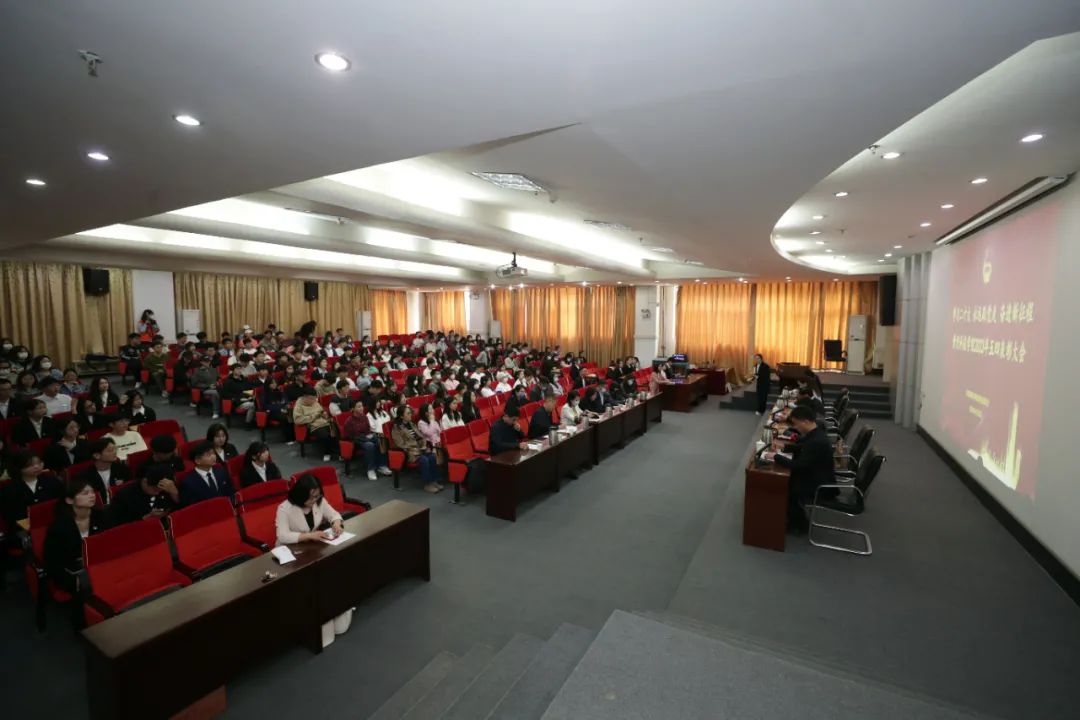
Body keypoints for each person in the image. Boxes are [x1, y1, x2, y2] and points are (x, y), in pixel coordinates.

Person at [764, 405, 834, 533]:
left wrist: (776, 456)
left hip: (819, 484)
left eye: (796, 424)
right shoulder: (816, 433)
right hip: (816, 474)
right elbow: (803, 446)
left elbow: (798, 466)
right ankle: (792, 517)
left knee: (785, 485)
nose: (796, 428)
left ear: (805, 421)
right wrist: (784, 447)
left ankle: (798, 525)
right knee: (785, 479)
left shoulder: (817, 441)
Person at [44, 476, 110, 599]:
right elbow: (52, 561)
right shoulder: (59, 527)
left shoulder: (103, 516)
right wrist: (73, 581)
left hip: (101, 565)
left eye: (92, 492)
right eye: (85, 493)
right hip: (74, 573)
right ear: (69, 500)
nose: (92, 496)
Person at [0, 450, 63, 530]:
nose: (36, 467)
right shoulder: (9, 490)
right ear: (19, 467)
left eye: (39, 463)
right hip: (24, 529)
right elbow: (10, 516)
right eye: (30, 465)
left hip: (53, 524)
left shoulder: (52, 482)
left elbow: (61, 505)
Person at [274, 472, 343, 545]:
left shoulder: (319, 500)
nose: (314, 500)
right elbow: (283, 536)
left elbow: (334, 515)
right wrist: (310, 536)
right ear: (301, 495)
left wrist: (336, 523)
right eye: (311, 498)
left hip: (309, 545)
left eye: (316, 496)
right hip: (288, 547)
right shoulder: (284, 508)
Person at [110, 462, 180, 525]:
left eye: (161, 490)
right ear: (145, 481)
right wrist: (145, 518)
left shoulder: (167, 488)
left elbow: (178, 509)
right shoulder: (124, 496)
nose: (157, 493)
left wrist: (175, 493)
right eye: (155, 489)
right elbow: (118, 523)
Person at [390, 406, 441, 493]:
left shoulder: (412, 424)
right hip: (411, 452)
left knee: (432, 457)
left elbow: (421, 437)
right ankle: (427, 484)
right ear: (402, 416)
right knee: (424, 460)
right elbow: (400, 444)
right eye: (408, 413)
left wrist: (424, 446)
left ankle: (434, 481)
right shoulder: (397, 428)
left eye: (410, 413)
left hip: (420, 448)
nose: (411, 415)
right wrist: (416, 447)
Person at [342, 401, 392, 481]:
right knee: (369, 445)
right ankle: (370, 469)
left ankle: (382, 466)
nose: (361, 408)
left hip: (366, 437)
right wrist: (366, 438)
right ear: (353, 409)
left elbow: (368, 430)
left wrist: (370, 436)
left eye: (362, 406)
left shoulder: (364, 417)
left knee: (380, 440)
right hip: (355, 440)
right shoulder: (349, 421)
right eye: (358, 407)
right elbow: (349, 436)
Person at [179, 441, 235, 506]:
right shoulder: (188, 483)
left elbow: (231, 492)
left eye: (213, 453)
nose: (213, 456)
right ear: (198, 461)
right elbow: (192, 507)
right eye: (209, 455)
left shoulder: (221, 472)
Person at [79, 437, 132, 503]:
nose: (114, 452)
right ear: (96, 455)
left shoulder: (123, 469)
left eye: (115, 449)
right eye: (110, 450)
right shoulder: (84, 476)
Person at [292, 388, 336, 462]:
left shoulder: (315, 402)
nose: (313, 400)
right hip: (314, 426)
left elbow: (321, 411)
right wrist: (313, 416)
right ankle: (327, 453)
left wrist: (324, 414)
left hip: (324, 422)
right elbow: (298, 420)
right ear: (305, 397)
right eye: (311, 398)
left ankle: (336, 451)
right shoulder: (298, 406)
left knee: (336, 431)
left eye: (314, 398)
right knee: (326, 436)